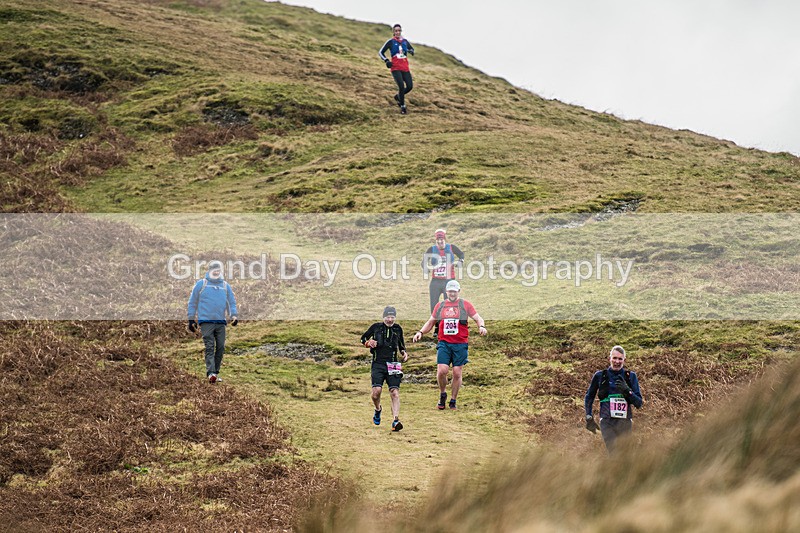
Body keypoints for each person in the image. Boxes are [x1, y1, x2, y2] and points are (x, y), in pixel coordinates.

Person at [412, 280, 486, 410]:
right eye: (450, 291)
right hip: (444, 343)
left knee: (457, 373)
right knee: (442, 371)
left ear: (458, 291)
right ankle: (442, 394)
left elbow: (478, 318)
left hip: (460, 344)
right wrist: (420, 332)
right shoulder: (440, 306)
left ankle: (453, 400)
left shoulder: (465, 305)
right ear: (446, 292)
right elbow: (430, 322)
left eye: (454, 291)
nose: (452, 293)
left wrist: (482, 326)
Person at [584, 345, 643, 453]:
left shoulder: (630, 376)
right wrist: (588, 416)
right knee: (614, 453)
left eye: (620, 359)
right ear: (609, 359)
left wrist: (627, 391)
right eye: (614, 358)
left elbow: (639, 403)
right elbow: (589, 396)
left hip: (625, 422)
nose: (617, 361)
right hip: (607, 421)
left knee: (625, 455)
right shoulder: (600, 376)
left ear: (624, 360)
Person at [187, 260, 238, 384]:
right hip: (206, 322)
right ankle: (211, 373)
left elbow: (231, 302)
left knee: (220, 347)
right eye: (214, 269)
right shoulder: (201, 284)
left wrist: (234, 315)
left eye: (218, 269)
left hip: (220, 322)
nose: (216, 271)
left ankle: (215, 372)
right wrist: (191, 318)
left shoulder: (225, 286)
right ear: (209, 270)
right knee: (210, 346)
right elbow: (193, 301)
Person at [361, 306, 409, 431]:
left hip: (393, 364)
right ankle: (378, 409)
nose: (390, 319)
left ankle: (395, 420)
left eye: (392, 317)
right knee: (376, 392)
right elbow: (363, 338)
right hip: (378, 364)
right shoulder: (376, 327)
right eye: (388, 317)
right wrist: (368, 343)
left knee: (394, 392)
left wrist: (404, 353)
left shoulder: (398, 329)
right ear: (383, 317)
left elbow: (401, 345)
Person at [422, 229, 465, 324]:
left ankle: (449, 324)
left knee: (449, 304)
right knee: (434, 305)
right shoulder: (432, 249)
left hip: (449, 281)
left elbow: (461, 254)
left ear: (445, 239)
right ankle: (437, 326)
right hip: (436, 281)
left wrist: (461, 261)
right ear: (436, 240)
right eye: (438, 240)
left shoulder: (451, 247)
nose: (440, 242)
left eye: (442, 240)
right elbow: (424, 261)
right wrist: (425, 267)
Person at [378, 23, 415, 115]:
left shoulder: (405, 41)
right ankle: (403, 106)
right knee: (401, 87)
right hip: (395, 68)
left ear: (401, 31)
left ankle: (398, 97)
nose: (398, 32)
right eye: (396, 31)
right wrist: (386, 61)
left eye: (399, 30)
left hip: (405, 67)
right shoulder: (390, 42)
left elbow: (412, 49)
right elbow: (380, 52)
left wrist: (411, 51)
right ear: (393, 32)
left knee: (410, 86)